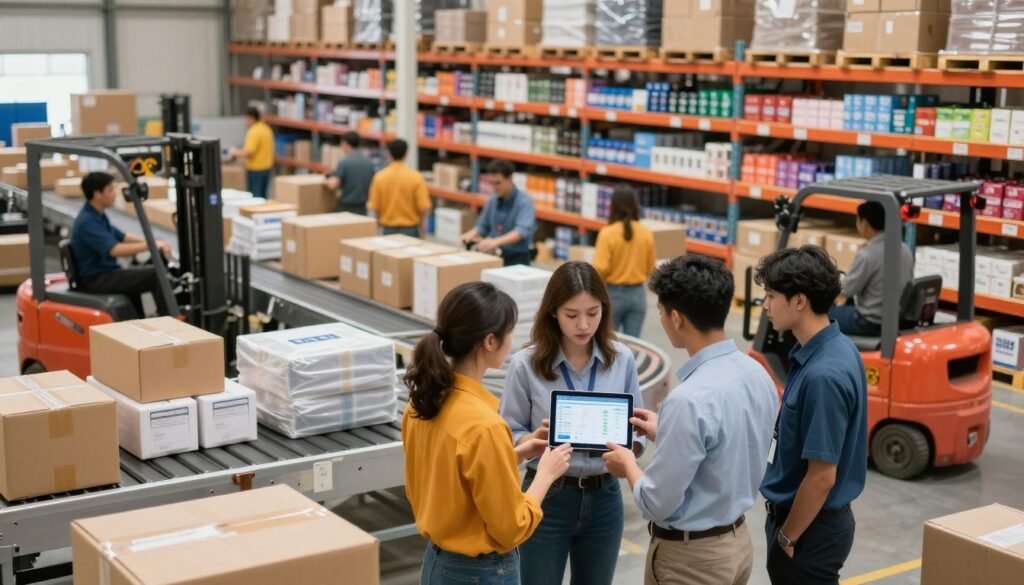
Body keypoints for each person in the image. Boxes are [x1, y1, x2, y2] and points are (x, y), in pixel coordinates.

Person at [603, 254, 778, 585]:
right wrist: (667, 432)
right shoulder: (757, 374)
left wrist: (627, 464)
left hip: (692, 562)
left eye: (661, 312)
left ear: (676, 318)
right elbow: (731, 445)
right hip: (737, 544)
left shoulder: (688, 400)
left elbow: (657, 502)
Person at [403, 282, 573, 585]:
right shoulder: (485, 426)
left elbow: (451, 478)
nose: (513, 340)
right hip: (480, 573)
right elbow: (511, 527)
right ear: (490, 341)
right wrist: (546, 474)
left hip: (437, 563)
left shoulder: (421, 404)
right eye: (509, 332)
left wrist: (513, 455)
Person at [500, 261, 645, 585]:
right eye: (571, 314)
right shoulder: (526, 365)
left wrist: (628, 450)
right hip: (546, 496)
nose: (583, 324)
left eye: (593, 313)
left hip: (605, 497)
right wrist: (531, 441)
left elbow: (637, 430)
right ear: (553, 312)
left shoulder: (622, 360)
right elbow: (508, 433)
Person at [755, 246, 868, 585]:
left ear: (799, 301)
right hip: (811, 525)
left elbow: (821, 477)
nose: (765, 305)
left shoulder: (823, 375)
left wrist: (788, 537)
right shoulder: (831, 347)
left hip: (807, 531)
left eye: (771, 295)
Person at [70, 172, 173, 318]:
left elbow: (123, 237)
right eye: (110, 190)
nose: (114, 194)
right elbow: (114, 250)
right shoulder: (87, 222)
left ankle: (139, 320)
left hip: (106, 273)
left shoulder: (97, 215)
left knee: (141, 273)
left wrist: (154, 240)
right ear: (98, 194)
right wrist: (151, 246)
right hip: (96, 279)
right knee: (157, 275)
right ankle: (170, 320)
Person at [829, 201, 913, 336]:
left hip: (869, 322)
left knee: (818, 316)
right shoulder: (905, 249)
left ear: (864, 223)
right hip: (895, 318)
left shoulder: (868, 254)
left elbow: (847, 289)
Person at [592, 184, 655, 338]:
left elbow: (601, 268)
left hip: (613, 295)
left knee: (607, 346)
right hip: (638, 295)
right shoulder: (646, 233)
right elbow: (650, 268)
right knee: (633, 347)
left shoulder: (607, 234)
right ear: (636, 206)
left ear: (612, 206)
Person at [461, 160, 536, 266]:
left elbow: (521, 231)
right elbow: (483, 226)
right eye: (492, 183)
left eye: (498, 183)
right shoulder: (493, 200)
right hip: (494, 255)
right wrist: (470, 234)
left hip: (517, 258)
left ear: (510, 179)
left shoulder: (525, 202)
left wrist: (494, 242)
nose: (495, 187)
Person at [367, 138, 431, 237]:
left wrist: (377, 228)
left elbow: (374, 207)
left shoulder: (379, 177)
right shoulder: (416, 177)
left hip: (387, 230)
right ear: (406, 155)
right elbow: (424, 207)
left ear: (389, 155)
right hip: (411, 231)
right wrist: (423, 229)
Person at [323, 131, 375, 215]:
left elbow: (333, 185)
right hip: (363, 208)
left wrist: (324, 180)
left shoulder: (345, 162)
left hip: (347, 208)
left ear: (345, 144)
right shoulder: (369, 162)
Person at [229, 107, 274, 199]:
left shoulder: (254, 132)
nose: (246, 121)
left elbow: (248, 152)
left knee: (255, 198)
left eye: (247, 119)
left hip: (256, 170)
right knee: (263, 197)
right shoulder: (267, 129)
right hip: (267, 169)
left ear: (251, 118)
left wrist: (234, 152)